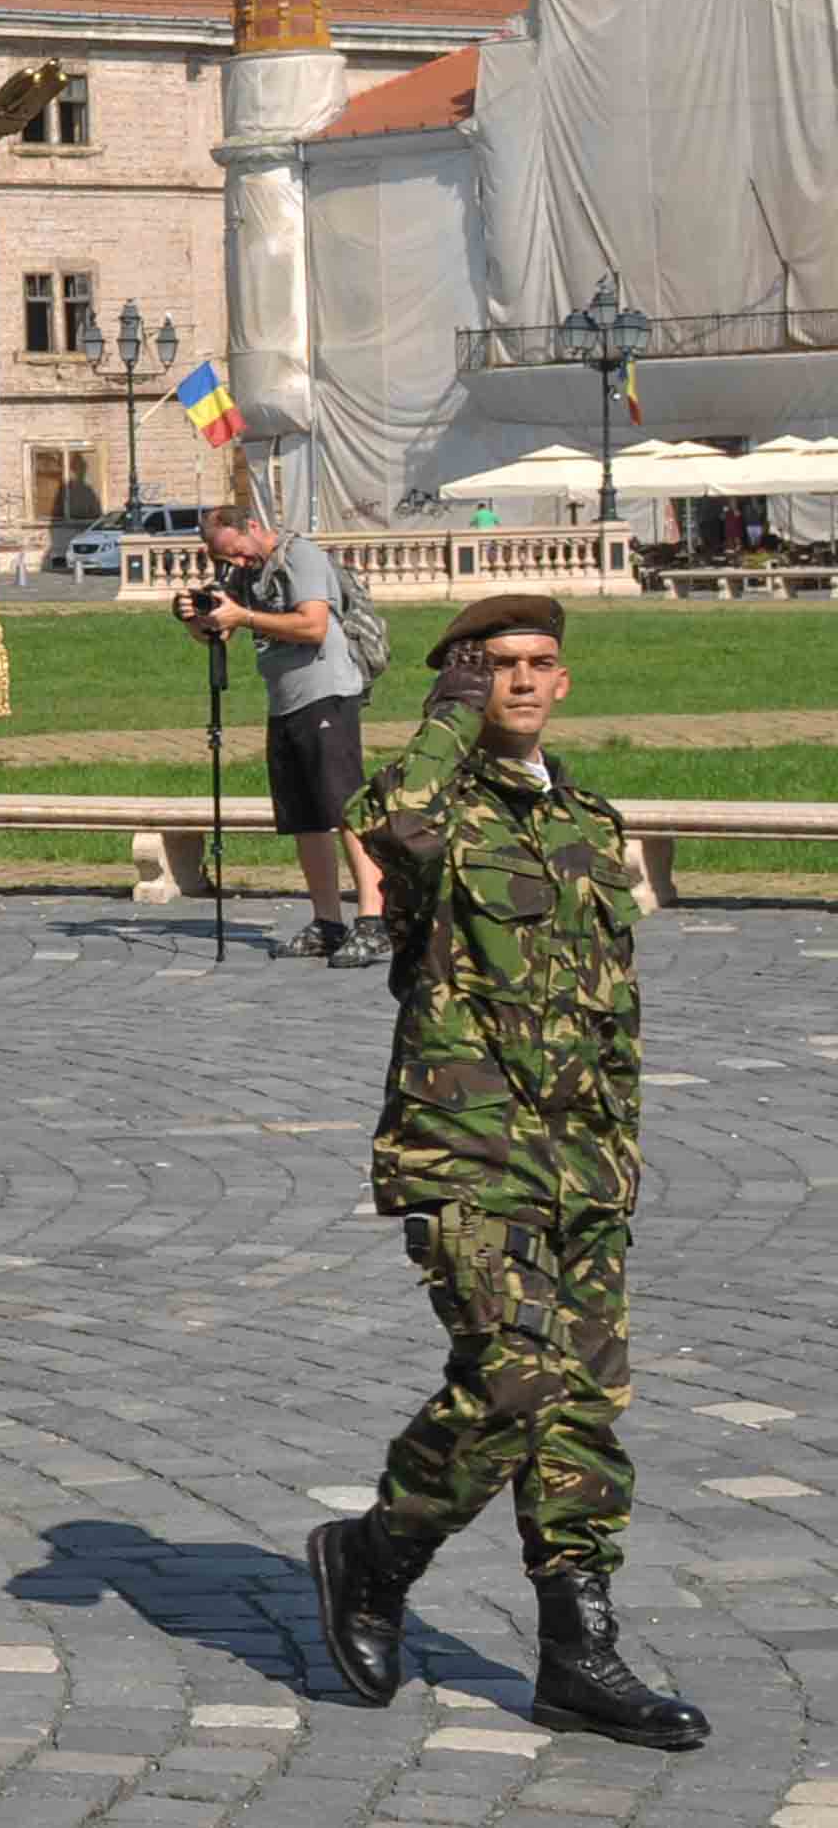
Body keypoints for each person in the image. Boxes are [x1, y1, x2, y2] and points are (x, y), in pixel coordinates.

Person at [307, 597, 708, 1752]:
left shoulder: (587, 816)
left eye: (535, 666)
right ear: (460, 687)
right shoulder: (438, 804)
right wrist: (446, 718)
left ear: (564, 682)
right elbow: (385, 820)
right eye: (491, 668)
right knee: (516, 1377)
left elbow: (612, 1010)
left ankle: (577, 1650)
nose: (517, 683)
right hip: (466, 1153)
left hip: (582, 1163)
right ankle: (375, 1555)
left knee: (583, 1401)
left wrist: (621, 1152)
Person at [185, 505, 381, 965]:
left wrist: (244, 618)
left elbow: (312, 626)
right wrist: (194, 618)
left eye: (235, 552)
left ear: (252, 528)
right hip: (285, 701)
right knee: (305, 817)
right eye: (224, 558)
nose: (235, 563)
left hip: (327, 693)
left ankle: (373, 922)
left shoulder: (301, 556)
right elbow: (219, 634)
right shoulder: (246, 574)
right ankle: (328, 923)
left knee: (346, 809)